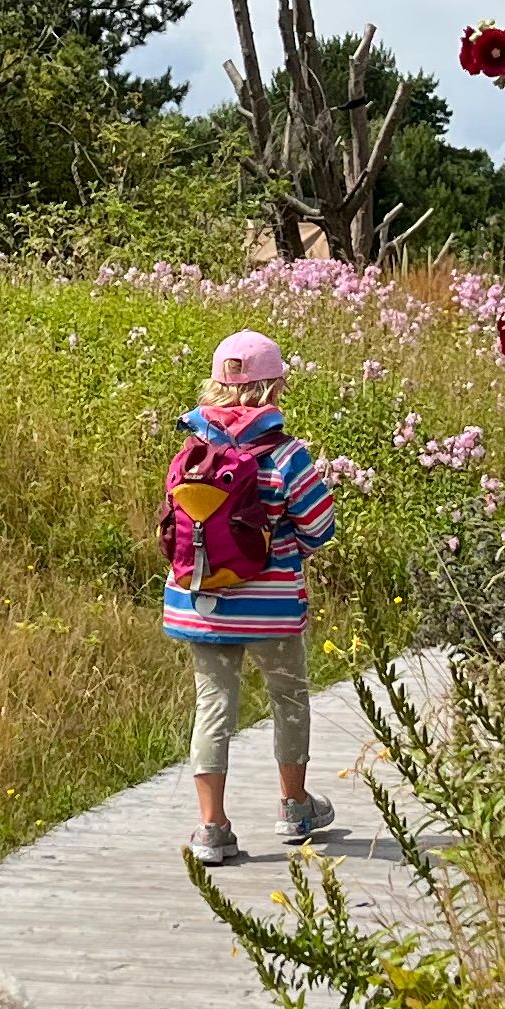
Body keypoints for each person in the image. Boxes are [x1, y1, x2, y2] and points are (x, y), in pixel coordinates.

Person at [164, 328, 340, 866]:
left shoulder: (192, 449)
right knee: (288, 700)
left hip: (200, 601)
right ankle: (295, 806)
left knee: (213, 706)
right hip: (272, 607)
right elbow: (318, 527)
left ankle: (212, 826)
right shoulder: (286, 455)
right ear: (273, 388)